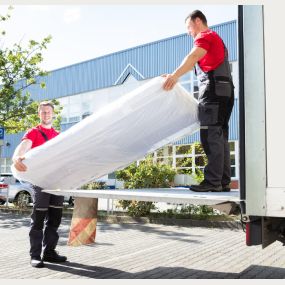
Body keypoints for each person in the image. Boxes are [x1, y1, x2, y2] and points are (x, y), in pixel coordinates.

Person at [162, 10, 234, 192]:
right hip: (225, 92)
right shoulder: (217, 39)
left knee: (210, 136)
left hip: (213, 92)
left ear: (198, 21)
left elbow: (193, 56)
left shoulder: (205, 36)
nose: (189, 32)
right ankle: (223, 181)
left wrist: (174, 76)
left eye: (189, 27)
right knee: (220, 136)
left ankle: (212, 182)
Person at [12, 101, 67, 268]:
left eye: (48, 112)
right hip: (40, 182)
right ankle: (35, 255)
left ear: (53, 113)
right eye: (43, 112)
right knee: (38, 220)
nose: (46, 114)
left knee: (55, 219)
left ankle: (49, 252)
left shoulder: (59, 135)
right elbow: (23, 148)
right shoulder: (34, 133)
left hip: (57, 182)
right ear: (39, 114)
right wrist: (16, 158)